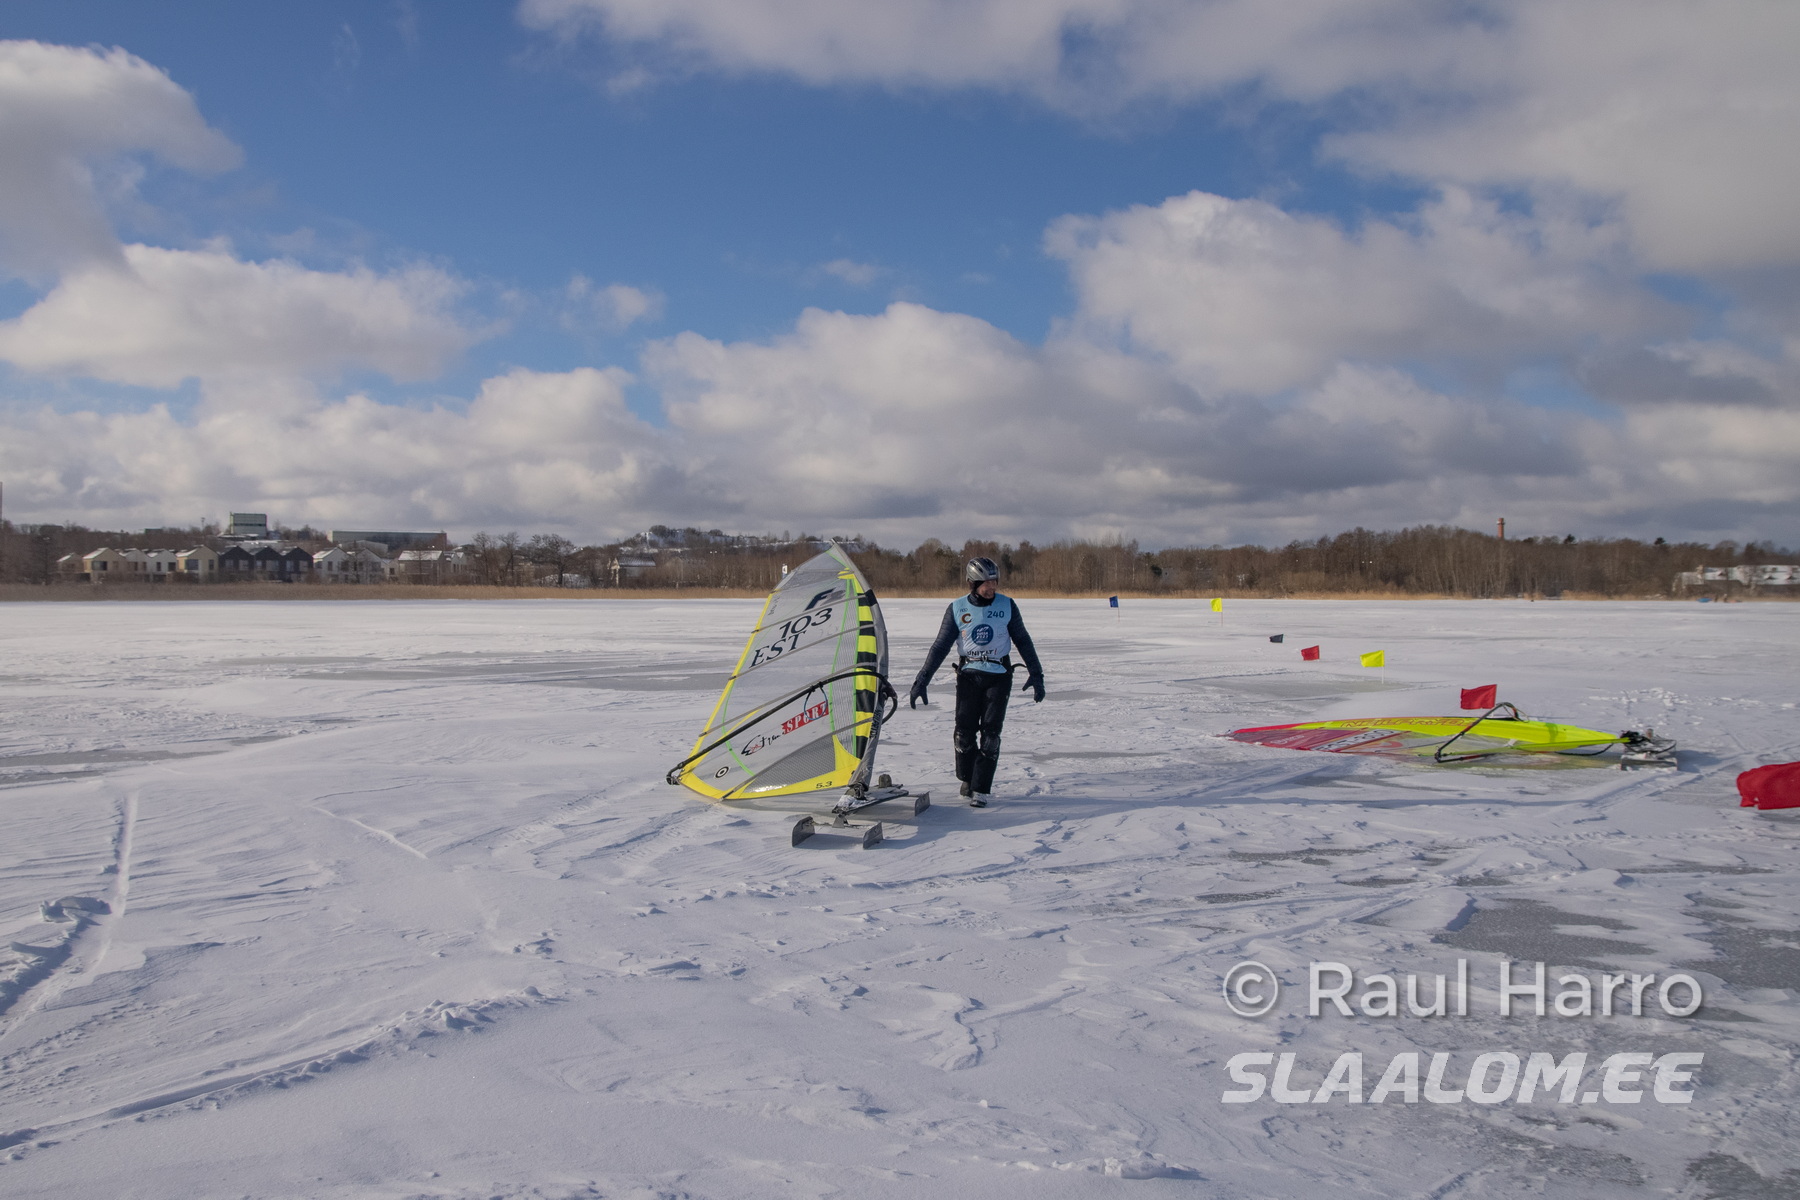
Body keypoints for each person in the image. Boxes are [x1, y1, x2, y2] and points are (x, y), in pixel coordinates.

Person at [908, 556, 1045, 806]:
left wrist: (1037, 675)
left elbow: (1023, 640)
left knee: (991, 734)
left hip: (999, 676)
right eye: (986, 583)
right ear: (972, 583)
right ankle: (968, 778)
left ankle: (981, 789)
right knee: (964, 733)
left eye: (994, 582)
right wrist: (922, 680)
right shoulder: (957, 608)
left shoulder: (1007, 605)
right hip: (968, 675)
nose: (992, 587)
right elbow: (940, 646)